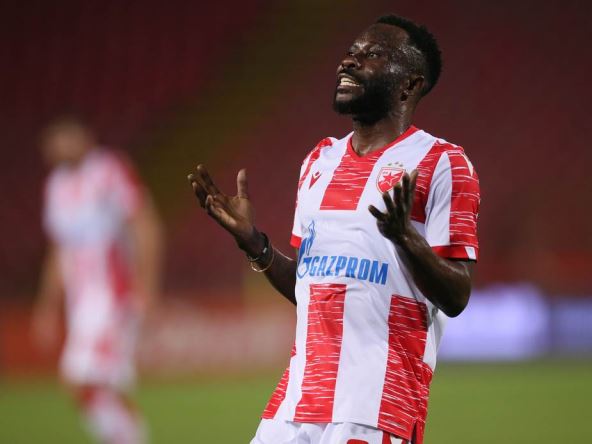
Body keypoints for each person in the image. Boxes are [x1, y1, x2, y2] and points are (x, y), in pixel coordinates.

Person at [188, 14, 479, 444]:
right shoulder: (318, 161)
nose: (349, 61)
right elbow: (313, 288)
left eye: (372, 55)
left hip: (375, 406)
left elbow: (456, 296)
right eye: (350, 52)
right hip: (296, 402)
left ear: (409, 84)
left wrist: (405, 238)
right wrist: (255, 244)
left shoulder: (441, 163)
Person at [33, 116, 163, 444]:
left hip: (113, 295)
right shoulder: (55, 185)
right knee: (89, 387)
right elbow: (58, 249)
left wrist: (147, 287)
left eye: (66, 136)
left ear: (84, 136)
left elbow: (144, 224)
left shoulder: (109, 170)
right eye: (54, 139)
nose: (60, 145)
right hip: (81, 303)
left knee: (88, 381)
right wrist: (48, 306)